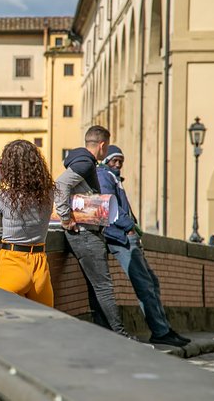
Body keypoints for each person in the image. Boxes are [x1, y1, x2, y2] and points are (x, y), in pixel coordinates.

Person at [98, 145, 191, 347]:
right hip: (120, 237)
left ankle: (163, 329)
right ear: (106, 159)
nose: (118, 164)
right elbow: (109, 205)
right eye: (115, 160)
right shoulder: (105, 176)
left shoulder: (112, 177)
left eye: (121, 161)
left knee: (151, 283)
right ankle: (160, 331)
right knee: (145, 285)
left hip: (123, 235)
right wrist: (129, 227)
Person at [54, 126, 134, 338]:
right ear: (102, 145)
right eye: (106, 148)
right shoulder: (85, 162)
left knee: (96, 287)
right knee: (104, 287)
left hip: (84, 233)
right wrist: (65, 218)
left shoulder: (81, 160)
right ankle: (119, 336)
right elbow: (61, 184)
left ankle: (105, 336)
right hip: (86, 234)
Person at [0, 140, 55, 307]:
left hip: (11, 262)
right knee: (45, 323)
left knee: (8, 322)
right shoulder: (48, 194)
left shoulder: (5, 197)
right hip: (39, 263)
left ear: (8, 168)